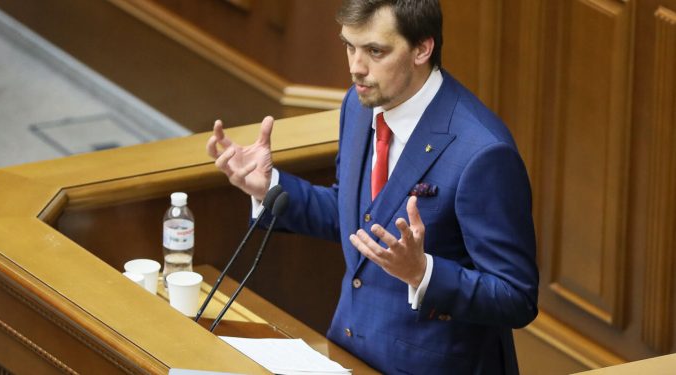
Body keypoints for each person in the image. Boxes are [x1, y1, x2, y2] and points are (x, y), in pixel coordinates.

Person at [206, 0, 539, 373]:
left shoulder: (482, 152)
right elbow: (356, 218)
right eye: (350, 46)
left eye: (375, 51)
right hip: (349, 352)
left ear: (422, 49)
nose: (356, 68)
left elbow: (516, 296)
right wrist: (269, 188)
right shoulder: (360, 105)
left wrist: (423, 272)